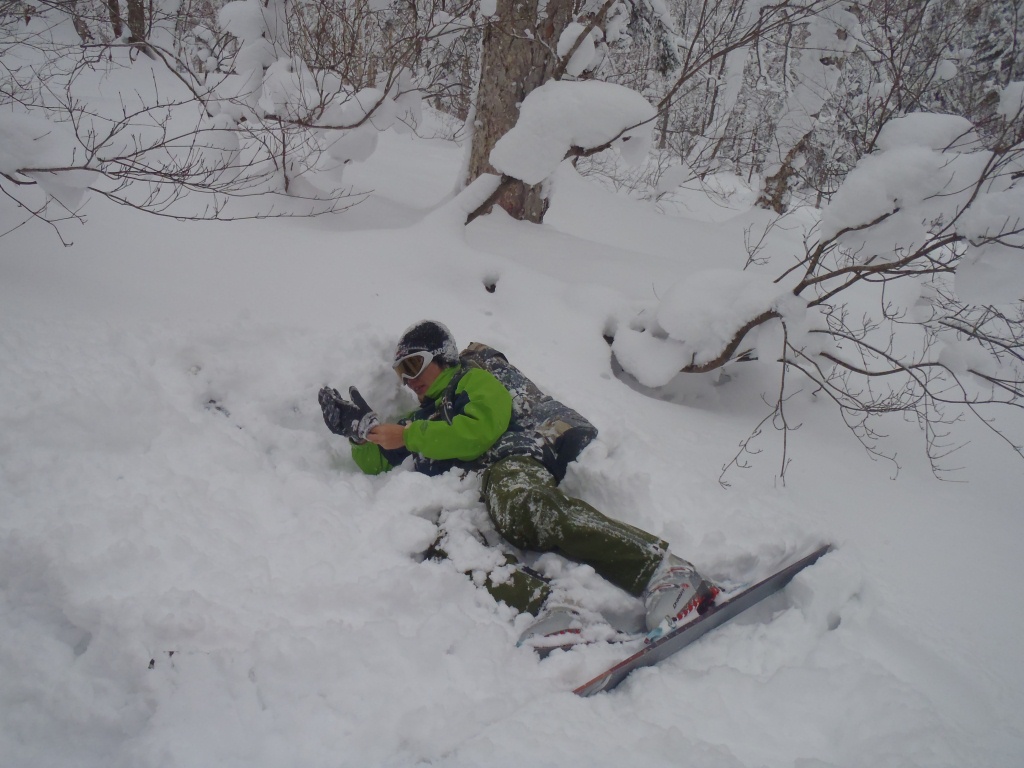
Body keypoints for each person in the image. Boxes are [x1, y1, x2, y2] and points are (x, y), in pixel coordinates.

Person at [318, 320, 718, 645]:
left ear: (444, 357)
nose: (408, 380)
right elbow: (376, 463)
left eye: (414, 365)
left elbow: (480, 432)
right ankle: (554, 611)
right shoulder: (420, 420)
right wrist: (360, 434)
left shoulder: (472, 382)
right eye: (400, 373)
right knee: (448, 545)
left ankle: (663, 571)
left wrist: (407, 435)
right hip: (473, 497)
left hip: (511, 461)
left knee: (522, 503)